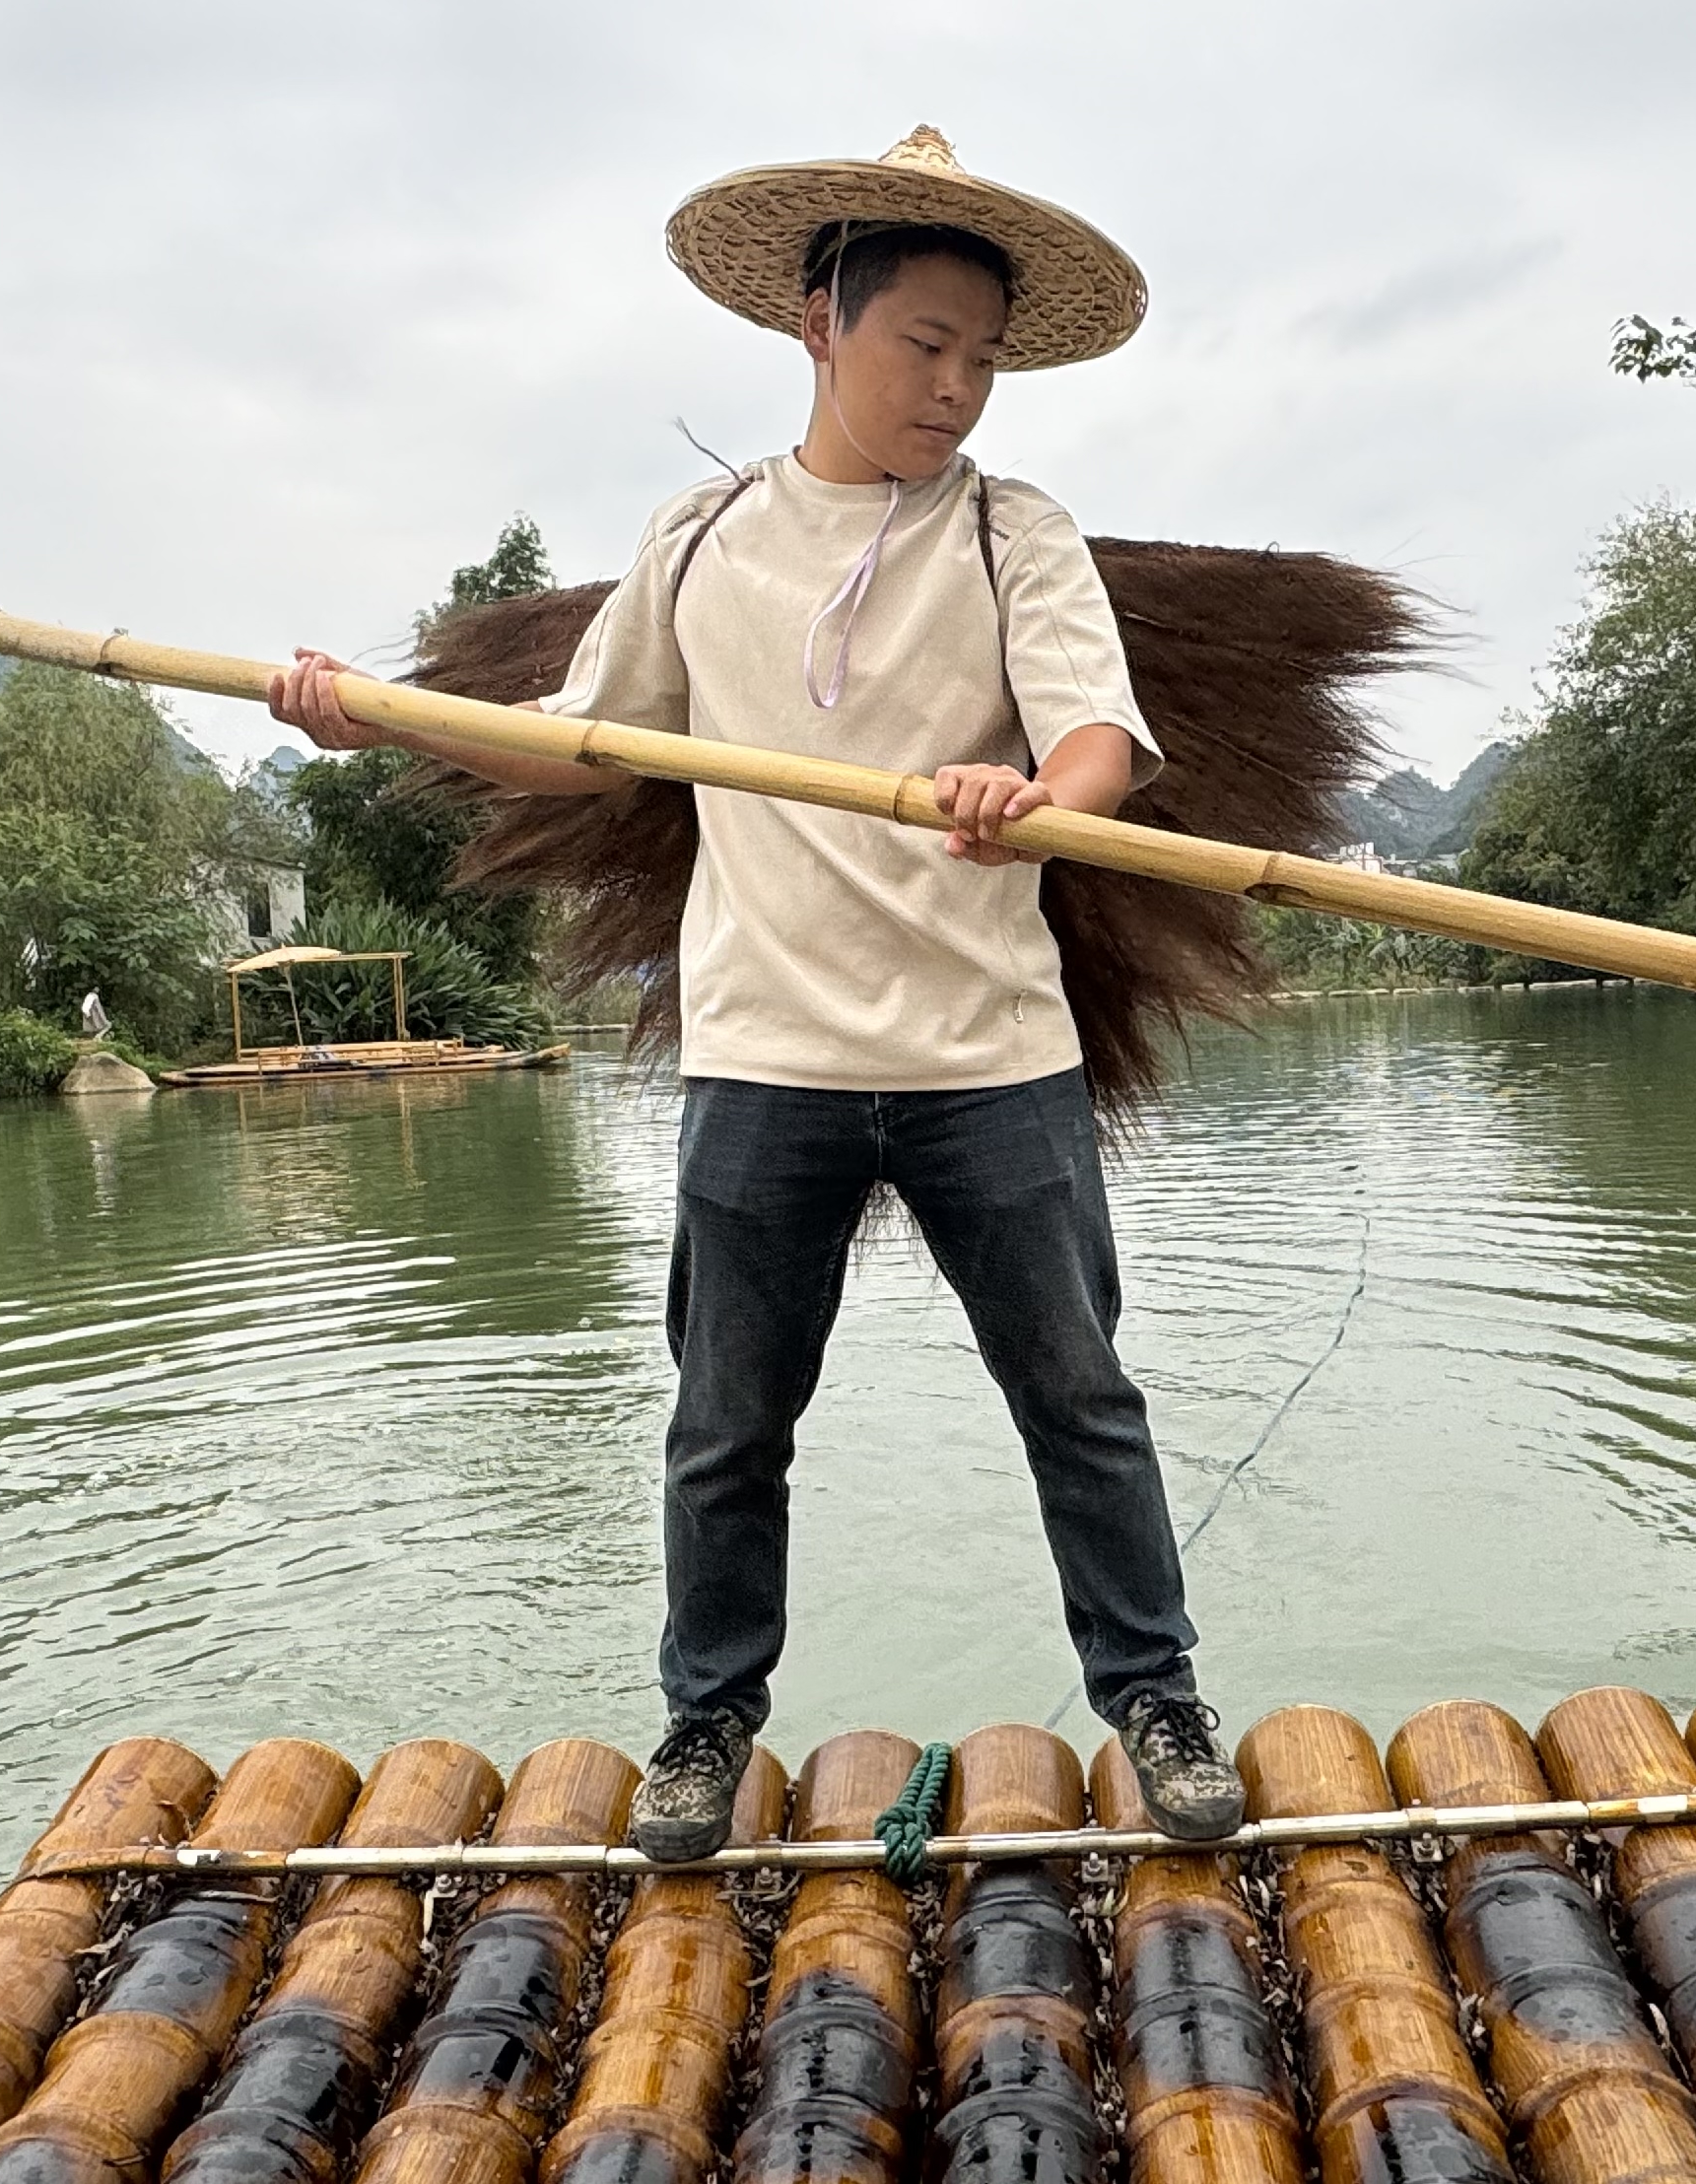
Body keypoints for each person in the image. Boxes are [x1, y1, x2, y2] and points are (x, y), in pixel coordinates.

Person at [264, 128, 1245, 1860]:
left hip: (988, 1057)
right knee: (726, 1428)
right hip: (765, 1054)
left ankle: (1157, 1702)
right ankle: (705, 1730)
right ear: (818, 322)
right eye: (921, 346)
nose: (955, 388)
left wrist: (1039, 803)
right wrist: (381, 713)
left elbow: (1098, 734)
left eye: (984, 360)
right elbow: (580, 746)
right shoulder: (702, 532)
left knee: (1080, 1402)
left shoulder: (1016, 532)